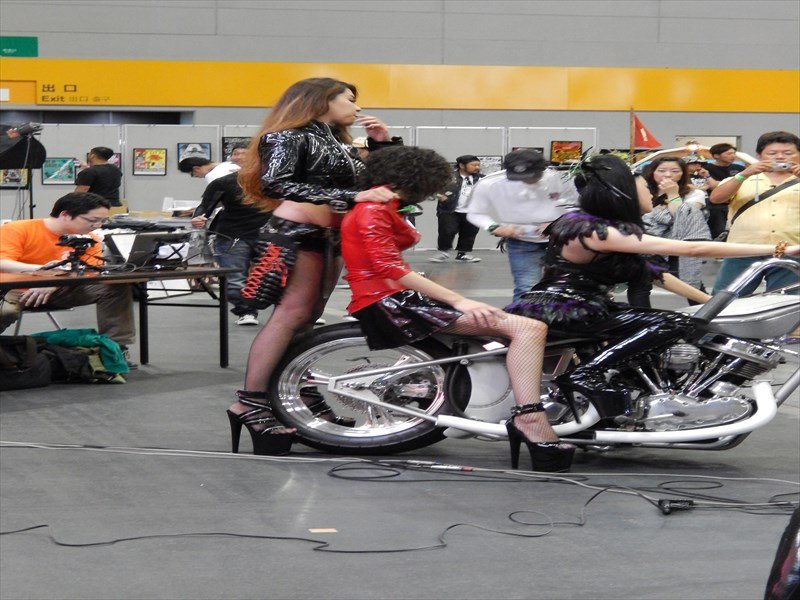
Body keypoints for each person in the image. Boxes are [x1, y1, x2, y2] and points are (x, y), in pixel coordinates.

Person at [504, 155, 798, 444]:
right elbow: (692, 249)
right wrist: (779, 249)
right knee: (673, 323)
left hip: (578, 305)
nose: (651, 191)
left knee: (677, 325)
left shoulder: (604, 228)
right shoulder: (592, 228)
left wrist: (709, 302)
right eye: (645, 187)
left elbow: (657, 275)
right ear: (623, 192)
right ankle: (587, 374)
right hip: (564, 307)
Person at [341, 145, 573, 472]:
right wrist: (459, 300)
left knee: (515, 324)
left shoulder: (383, 206)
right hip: (390, 301)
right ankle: (530, 418)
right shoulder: (373, 210)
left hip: (393, 296)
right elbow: (390, 267)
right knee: (528, 328)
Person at [227, 77, 401, 455]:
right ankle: (250, 403)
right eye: (349, 99)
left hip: (328, 236)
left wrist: (382, 145)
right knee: (291, 316)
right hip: (296, 234)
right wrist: (352, 194)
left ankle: (294, 393)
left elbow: (379, 187)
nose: (356, 107)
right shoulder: (288, 136)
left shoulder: (338, 142)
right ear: (322, 100)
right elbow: (275, 184)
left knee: (306, 319)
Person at [0, 192, 137, 362]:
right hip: (15, 288)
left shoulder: (89, 239)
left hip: (61, 289)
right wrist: (45, 271)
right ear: (65, 214)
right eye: (92, 220)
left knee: (115, 287)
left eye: (102, 221)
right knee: (5, 312)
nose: (97, 226)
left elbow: (89, 272)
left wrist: (54, 282)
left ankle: (116, 349)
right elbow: (3, 263)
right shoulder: (18, 229)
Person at [467, 149, 579, 301]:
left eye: (532, 176)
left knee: (565, 286)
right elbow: (475, 213)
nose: (527, 181)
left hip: (561, 239)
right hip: (521, 241)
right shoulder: (490, 183)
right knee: (526, 287)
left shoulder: (561, 179)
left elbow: (577, 206)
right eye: (519, 177)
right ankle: (524, 316)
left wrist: (558, 223)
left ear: (543, 169)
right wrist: (495, 227)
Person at [708, 131, 800, 296]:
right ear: (759, 155)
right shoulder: (743, 178)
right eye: (772, 153)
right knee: (725, 299)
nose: (780, 157)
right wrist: (744, 174)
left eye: (788, 153)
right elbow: (716, 198)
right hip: (743, 249)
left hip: (791, 250)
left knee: (786, 302)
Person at [189, 172, 271, 326]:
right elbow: (205, 205)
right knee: (235, 280)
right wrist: (198, 217)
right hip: (232, 236)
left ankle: (291, 313)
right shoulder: (224, 182)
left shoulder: (275, 180)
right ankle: (246, 311)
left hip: (269, 235)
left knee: (278, 278)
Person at [641, 156, 711, 296]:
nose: (668, 175)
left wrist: (672, 193)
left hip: (674, 246)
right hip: (644, 244)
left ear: (683, 173)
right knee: (640, 285)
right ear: (652, 172)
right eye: (662, 170)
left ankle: (709, 307)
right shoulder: (642, 191)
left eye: (674, 171)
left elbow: (682, 216)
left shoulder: (694, 193)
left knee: (690, 285)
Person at [430, 155, 483, 263]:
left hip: (472, 211)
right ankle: (443, 252)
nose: (477, 167)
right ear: (462, 166)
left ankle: (462, 254)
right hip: (449, 209)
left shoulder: (481, 178)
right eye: (473, 165)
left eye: (478, 165)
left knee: (469, 232)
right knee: (447, 230)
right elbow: (431, 188)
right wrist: (440, 196)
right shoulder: (447, 177)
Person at [703, 143, 746, 239]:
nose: (733, 156)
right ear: (716, 155)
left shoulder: (740, 169)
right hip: (716, 205)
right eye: (729, 154)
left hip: (737, 202)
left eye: (734, 153)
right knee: (719, 231)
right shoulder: (707, 169)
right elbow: (713, 187)